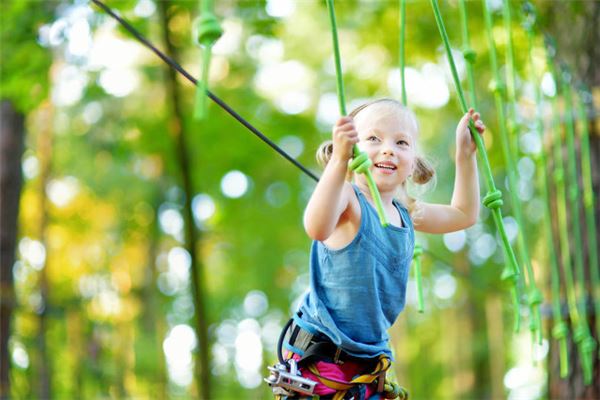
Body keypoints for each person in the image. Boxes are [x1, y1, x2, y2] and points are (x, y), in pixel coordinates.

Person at [272, 98, 485, 399]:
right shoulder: (348, 199)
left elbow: (464, 214)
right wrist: (338, 162)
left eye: (401, 142)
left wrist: (465, 155)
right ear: (352, 149)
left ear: (413, 163)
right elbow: (316, 227)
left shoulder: (407, 212)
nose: (388, 149)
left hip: (368, 362)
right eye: (373, 138)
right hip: (322, 352)